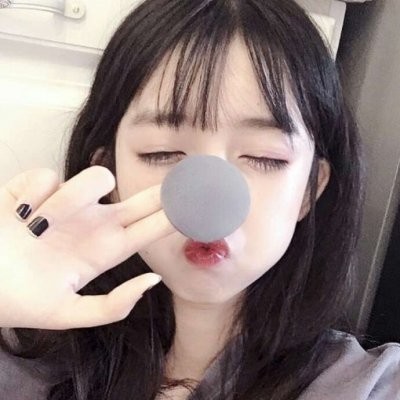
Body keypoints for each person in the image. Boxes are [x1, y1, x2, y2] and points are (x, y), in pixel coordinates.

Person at [0, 0, 399, 399]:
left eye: (264, 157)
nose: (210, 198)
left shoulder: (368, 387)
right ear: (110, 176)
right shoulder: (26, 359)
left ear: (310, 189)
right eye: (161, 152)